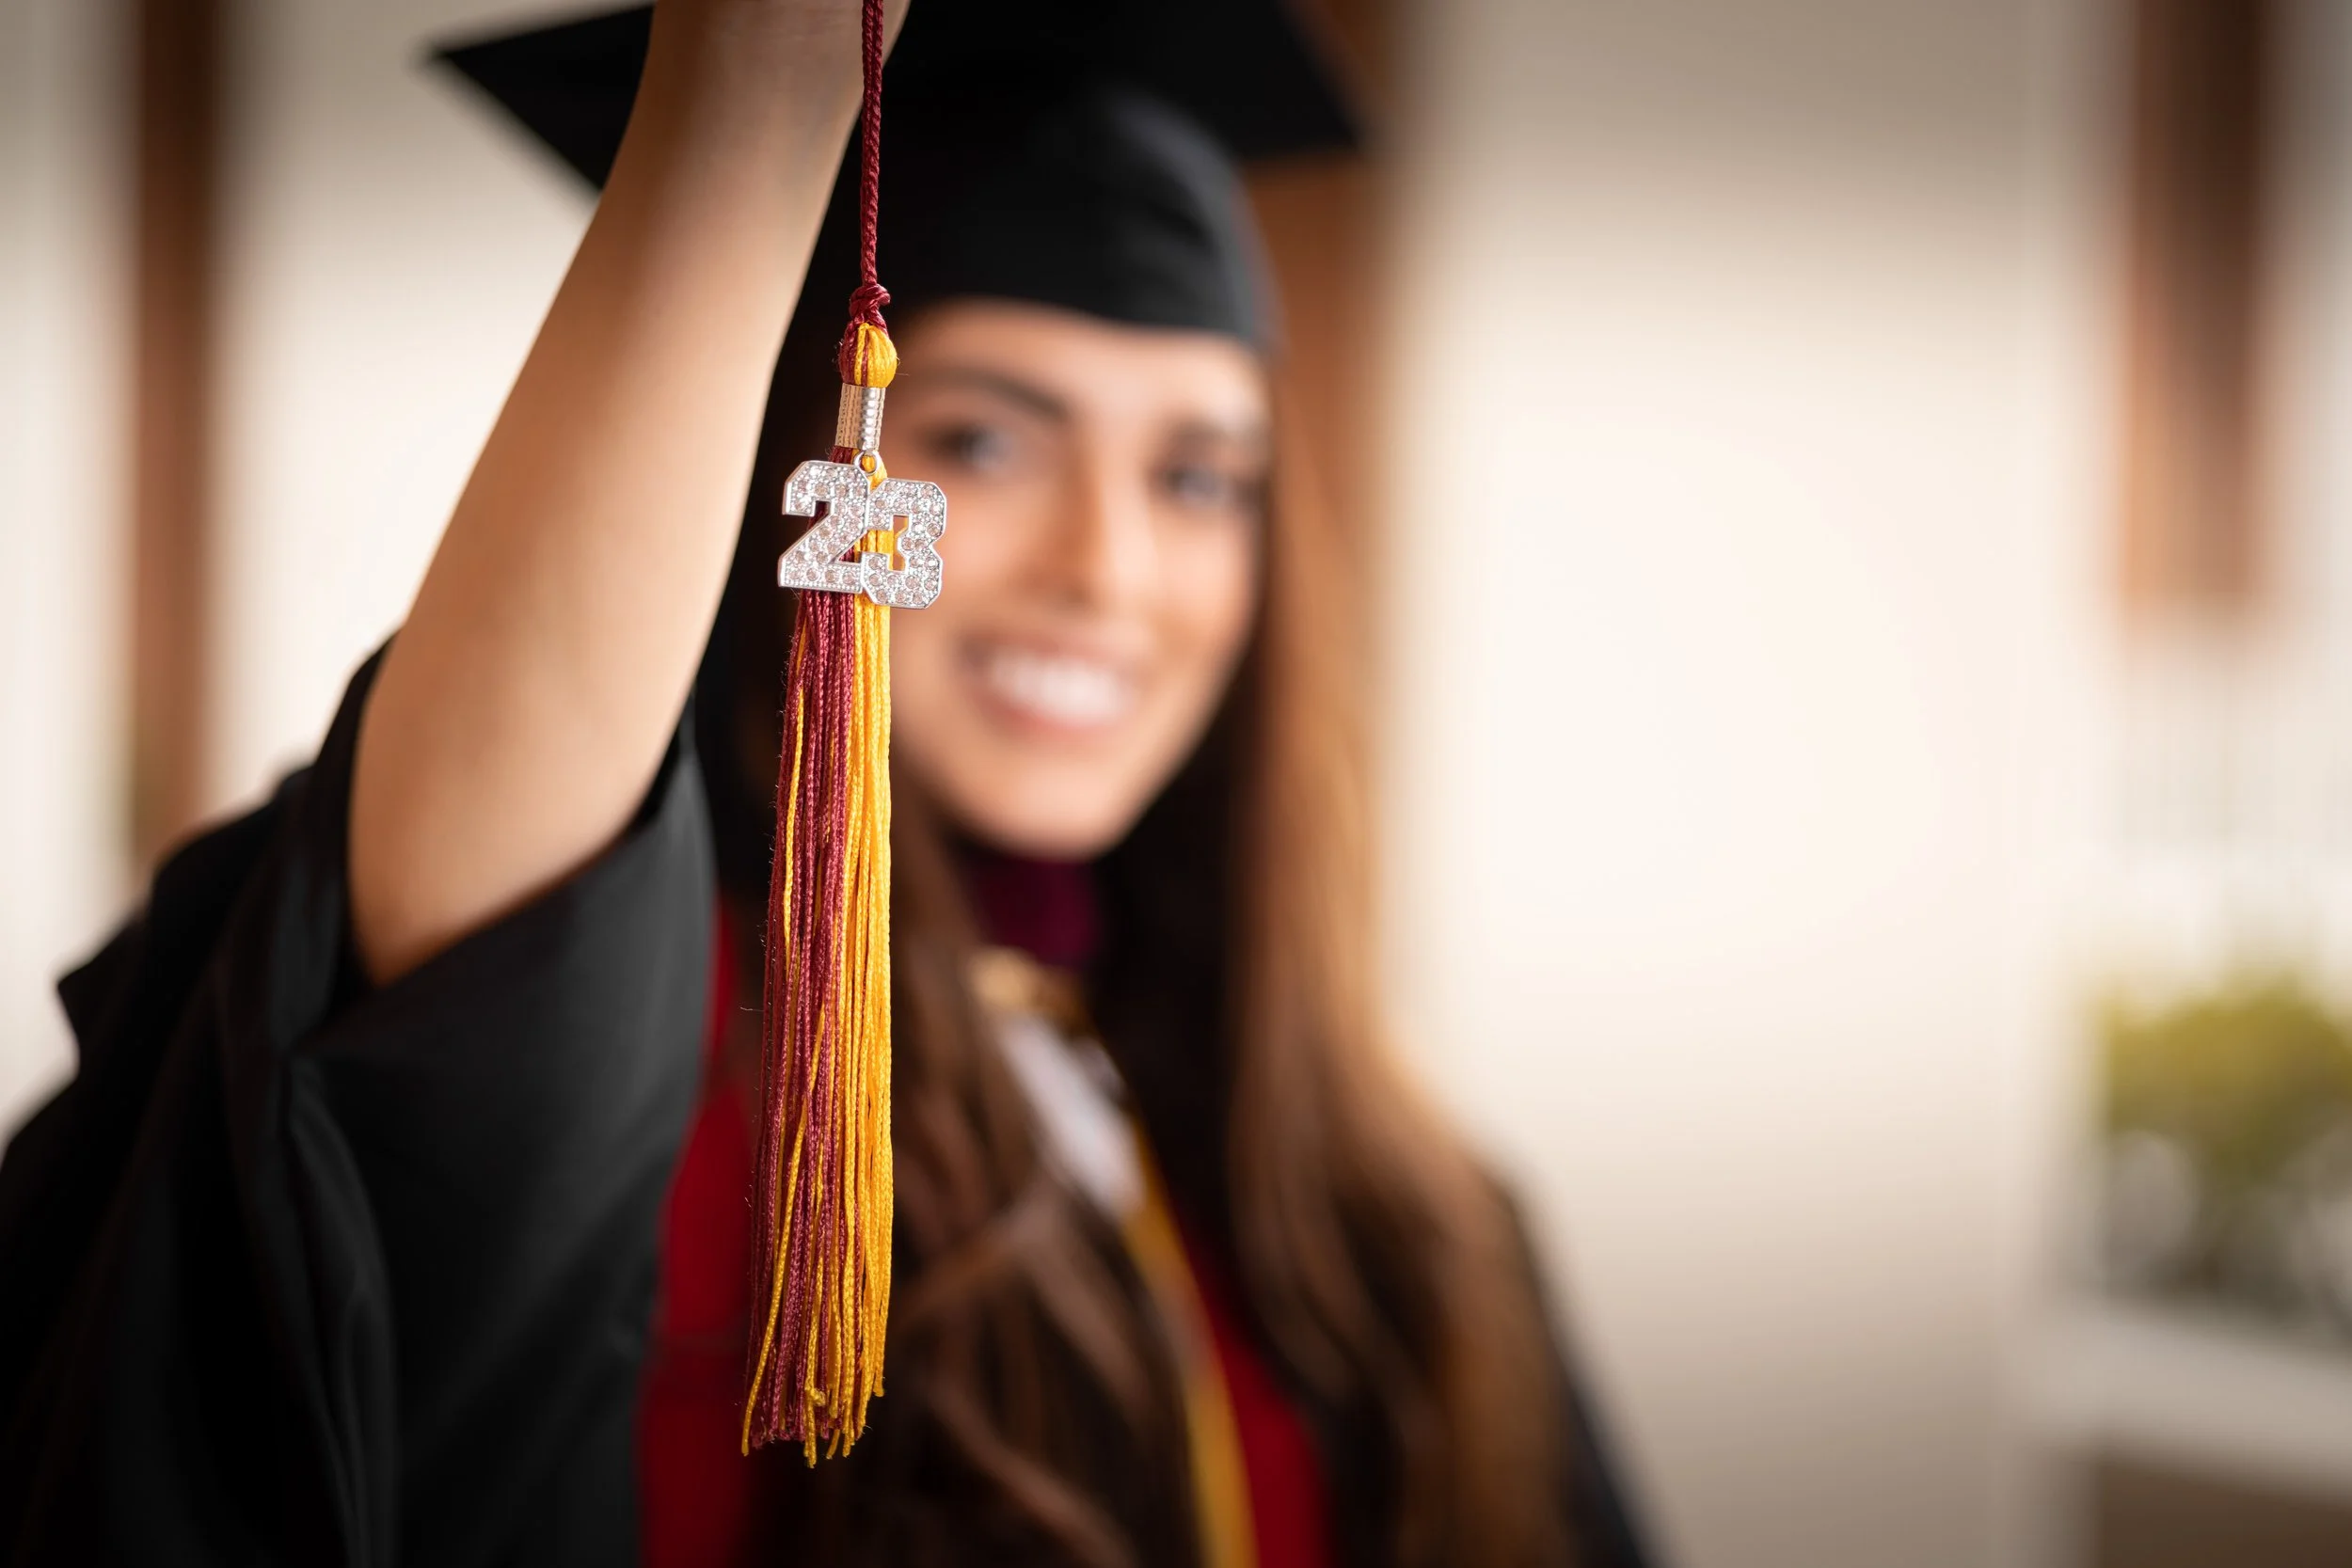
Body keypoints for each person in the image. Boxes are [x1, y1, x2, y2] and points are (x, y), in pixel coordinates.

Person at [0, 1, 1656, 1564]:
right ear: (808, 473)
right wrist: (758, 91)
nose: (1110, 568)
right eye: (987, 441)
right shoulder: (661, 1069)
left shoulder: (1408, 1210)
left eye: (1200, 474)